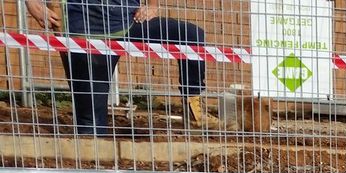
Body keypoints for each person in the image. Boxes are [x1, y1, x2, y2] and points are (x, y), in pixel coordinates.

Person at [24, 0, 217, 136]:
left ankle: (193, 111)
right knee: (91, 128)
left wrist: (152, 5)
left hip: (129, 21)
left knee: (190, 36)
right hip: (84, 32)